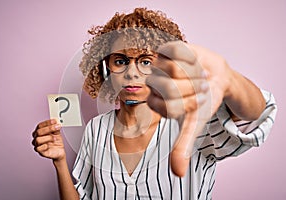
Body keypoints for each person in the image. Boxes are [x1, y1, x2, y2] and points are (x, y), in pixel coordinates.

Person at [32, 7, 277, 200]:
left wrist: (231, 80)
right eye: (120, 61)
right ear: (106, 70)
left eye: (146, 61)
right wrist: (60, 162)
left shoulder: (191, 124)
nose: (132, 73)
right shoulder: (96, 129)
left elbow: (256, 115)